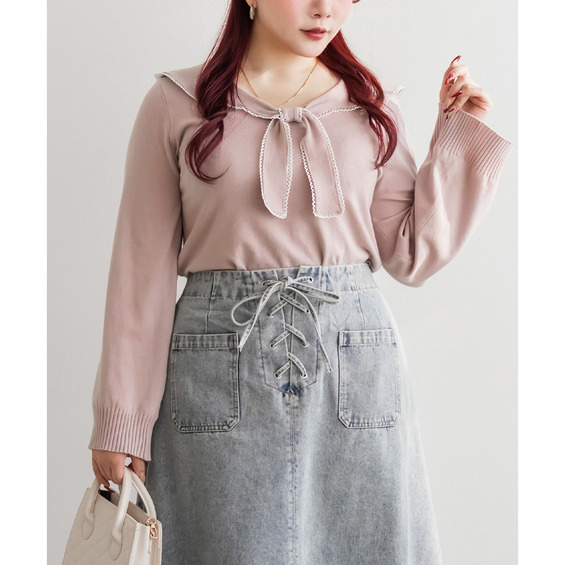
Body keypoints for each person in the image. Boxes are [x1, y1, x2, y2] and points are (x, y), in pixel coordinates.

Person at [88, 1, 513, 563]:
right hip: (215, 379)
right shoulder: (175, 103)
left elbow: (412, 253)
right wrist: (121, 422)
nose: (325, 9)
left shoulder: (371, 106)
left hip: (354, 377)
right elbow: (140, 271)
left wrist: (459, 134)